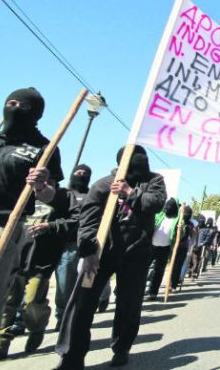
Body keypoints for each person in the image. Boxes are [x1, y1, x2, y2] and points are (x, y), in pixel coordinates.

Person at [54, 145, 166, 369]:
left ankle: (121, 348)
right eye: (133, 156)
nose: (140, 160)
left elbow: (156, 203)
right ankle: (72, 356)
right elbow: (88, 219)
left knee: (129, 305)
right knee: (82, 305)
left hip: (136, 254)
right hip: (101, 254)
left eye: (141, 155)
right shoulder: (103, 185)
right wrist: (87, 251)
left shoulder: (154, 181)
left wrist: (130, 193)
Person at [0, 87, 64, 349]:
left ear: (34, 112)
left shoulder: (43, 149)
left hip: (5, 226)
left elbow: (51, 197)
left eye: (20, 105)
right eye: (9, 102)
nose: (12, 108)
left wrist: (40, 186)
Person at [54, 165, 92, 330]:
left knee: (86, 281)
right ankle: (62, 315)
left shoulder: (92, 195)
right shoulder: (63, 193)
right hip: (60, 243)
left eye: (85, 173)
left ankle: (74, 314)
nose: (81, 175)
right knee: (63, 283)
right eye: (78, 172)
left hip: (83, 244)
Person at [146, 198, 180, 301]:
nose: (168, 208)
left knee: (159, 271)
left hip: (165, 248)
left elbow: (180, 235)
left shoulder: (177, 219)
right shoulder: (159, 215)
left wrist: (180, 229)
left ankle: (153, 292)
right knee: (144, 268)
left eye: (171, 207)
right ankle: (140, 289)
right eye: (167, 206)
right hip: (151, 246)